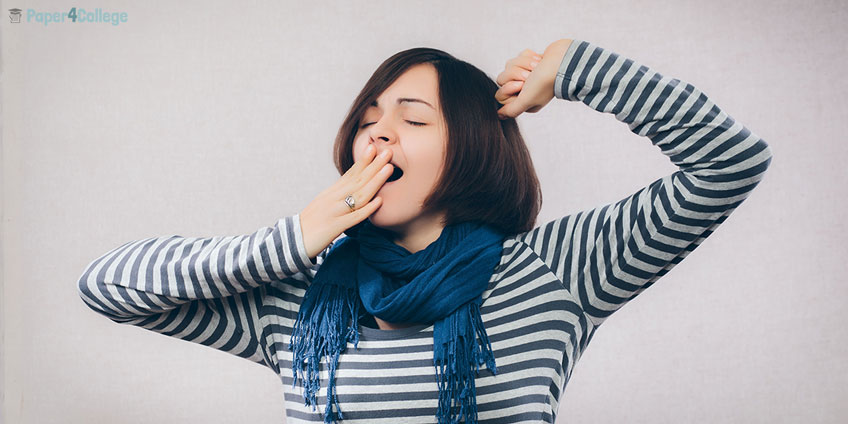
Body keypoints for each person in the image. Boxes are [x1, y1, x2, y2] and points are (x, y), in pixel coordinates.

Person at [77, 38, 773, 424]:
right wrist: (296, 236)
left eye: (412, 119)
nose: (379, 132)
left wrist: (580, 69)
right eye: (369, 120)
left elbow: (729, 164)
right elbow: (107, 287)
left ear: (471, 146)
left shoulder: (555, 271)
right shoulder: (296, 297)